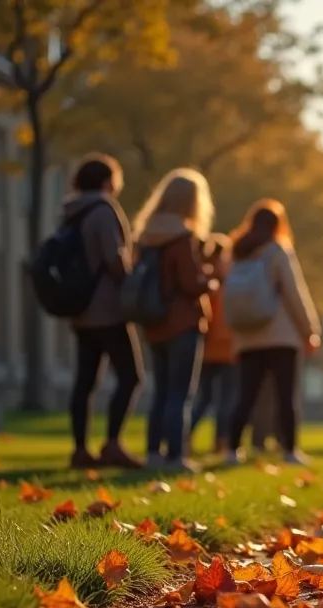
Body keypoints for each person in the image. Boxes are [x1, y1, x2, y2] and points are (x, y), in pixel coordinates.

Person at [223, 199, 321, 465]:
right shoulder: (278, 251)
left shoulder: (238, 252)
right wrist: (310, 330)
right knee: (285, 396)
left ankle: (232, 449)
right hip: (280, 335)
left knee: (245, 396)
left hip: (247, 337)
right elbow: (294, 293)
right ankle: (289, 450)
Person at [131, 168, 216, 472]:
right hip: (182, 322)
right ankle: (176, 455)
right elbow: (190, 284)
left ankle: (153, 452)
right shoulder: (182, 237)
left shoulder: (145, 235)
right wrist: (210, 280)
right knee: (181, 392)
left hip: (154, 322)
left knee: (162, 391)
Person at [64, 153, 143, 469]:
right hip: (108, 309)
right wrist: (133, 280)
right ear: (108, 181)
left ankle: (80, 449)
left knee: (84, 382)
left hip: (80, 309)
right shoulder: (103, 210)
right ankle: (112, 443)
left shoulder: (71, 212)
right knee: (131, 375)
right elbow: (114, 259)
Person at [188, 233, 237, 455]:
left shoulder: (202, 279)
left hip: (206, 348)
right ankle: (221, 441)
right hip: (227, 348)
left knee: (204, 398)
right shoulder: (227, 284)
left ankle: (185, 436)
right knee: (226, 399)